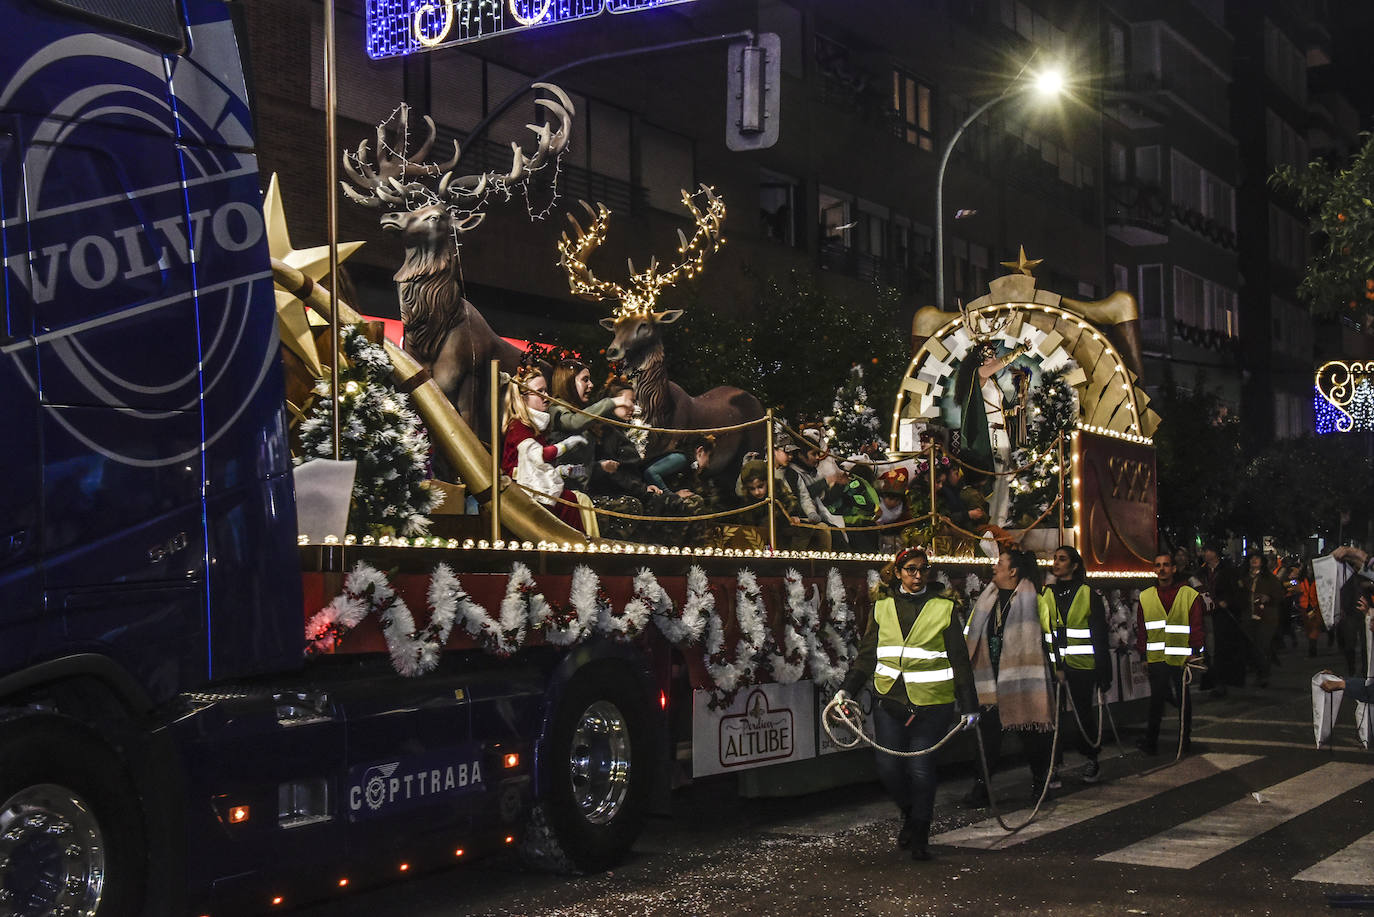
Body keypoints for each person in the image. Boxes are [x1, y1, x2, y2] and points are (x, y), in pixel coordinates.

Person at [833, 547, 979, 860]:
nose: (917, 575)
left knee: (921, 770)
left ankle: (920, 835)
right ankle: (912, 815)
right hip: (889, 700)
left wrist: (969, 705)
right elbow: (868, 654)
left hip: (932, 703)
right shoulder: (882, 605)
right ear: (898, 572)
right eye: (911, 569)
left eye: (923, 569)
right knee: (888, 769)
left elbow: (959, 659)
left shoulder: (943, 607)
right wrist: (846, 690)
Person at [963, 547, 1058, 804]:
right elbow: (970, 635)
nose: (995, 566)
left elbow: (1050, 639)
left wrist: (1055, 671)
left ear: (1013, 571)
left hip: (1024, 681)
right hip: (989, 682)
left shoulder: (1036, 600)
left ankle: (1040, 784)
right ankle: (981, 788)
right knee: (987, 739)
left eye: (1000, 563)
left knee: (1032, 737)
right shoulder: (986, 599)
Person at [1041, 545, 1112, 783]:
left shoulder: (1087, 593)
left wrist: (1104, 672)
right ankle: (1054, 765)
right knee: (1053, 718)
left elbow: (1099, 635)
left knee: (1083, 714)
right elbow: (1044, 631)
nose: (1056, 562)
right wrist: (1055, 666)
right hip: (1055, 667)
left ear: (1074, 565)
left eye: (1062, 559)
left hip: (1083, 666)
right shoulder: (1047, 594)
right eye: (1055, 558)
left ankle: (1092, 758)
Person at [1134, 553, 1205, 755]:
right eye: (1158, 565)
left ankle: (1184, 740)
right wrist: (1143, 656)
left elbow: (1196, 625)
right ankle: (1151, 742)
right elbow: (1142, 629)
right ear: (1154, 570)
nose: (1162, 569)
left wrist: (1195, 651)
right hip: (1157, 658)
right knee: (1156, 701)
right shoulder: (1146, 596)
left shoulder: (1188, 594)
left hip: (1182, 658)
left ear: (1174, 568)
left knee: (1183, 701)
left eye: (1166, 565)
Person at [500, 366, 585, 532]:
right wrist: (567, 445)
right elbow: (539, 456)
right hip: (520, 492)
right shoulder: (518, 427)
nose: (546, 396)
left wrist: (562, 471)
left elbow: (537, 468)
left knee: (574, 498)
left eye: (546, 391)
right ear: (523, 398)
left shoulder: (533, 427)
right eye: (539, 392)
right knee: (568, 500)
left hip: (530, 486)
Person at [1198, 544, 1243, 696]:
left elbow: (1236, 592)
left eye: (1208, 551)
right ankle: (1214, 681)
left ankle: (1221, 682)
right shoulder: (1201, 572)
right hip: (1207, 614)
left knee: (1221, 649)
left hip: (1223, 616)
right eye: (1205, 551)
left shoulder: (1228, 571)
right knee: (1210, 649)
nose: (1206, 554)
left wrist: (1227, 601)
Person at [1242, 551, 1285, 688]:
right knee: (1252, 646)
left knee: (1262, 645)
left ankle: (1263, 675)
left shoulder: (1269, 578)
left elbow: (1279, 595)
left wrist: (1268, 598)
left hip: (1266, 617)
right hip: (1249, 617)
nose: (1254, 560)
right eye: (1252, 558)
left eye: (1257, 558)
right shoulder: (1244, 578)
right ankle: (1257, 669)